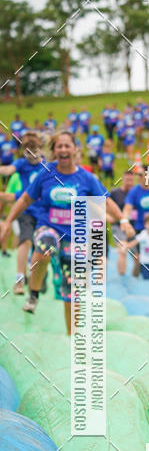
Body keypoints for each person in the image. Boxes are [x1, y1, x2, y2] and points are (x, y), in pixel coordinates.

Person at [0, 131, 134, 331]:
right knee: (45, 244)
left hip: (74, 238)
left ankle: (72, 336)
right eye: (59, 146)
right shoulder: (46, 173)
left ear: (75, 149)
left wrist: (123, 220)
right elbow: (25, 199)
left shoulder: (87, 179)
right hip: (48, 227)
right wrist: (8, 222)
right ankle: (34, 293)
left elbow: (106, 200)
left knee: (72, 289)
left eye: (67, 146)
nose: (63, 149)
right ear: (54, 151)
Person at [0, 130, 46, 293]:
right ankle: (19, 280)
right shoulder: (21, 164)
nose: (31, 154)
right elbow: (8, 170)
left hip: (43, 213)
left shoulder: (46, 164)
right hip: (26, 209)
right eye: (27, 150)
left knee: (40, 247)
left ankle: (38, 280)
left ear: (41, 149)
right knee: (25, 241)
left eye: (34, 150)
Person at [109, 169, 137, 275]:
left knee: (137, 256)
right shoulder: (115, 193)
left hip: (134, 227)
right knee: (123, 249)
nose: (129, 182)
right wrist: (108, 217)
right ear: (123, 180)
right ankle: (122, 277)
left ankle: (135, 278)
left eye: (131, 180)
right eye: (127, 180)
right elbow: (105, 206)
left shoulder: (135, 193)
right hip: (119, 226)